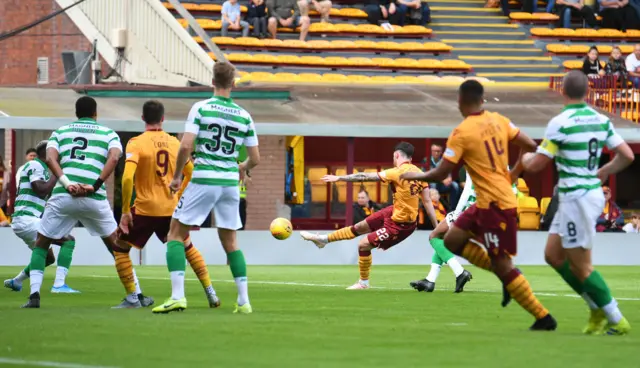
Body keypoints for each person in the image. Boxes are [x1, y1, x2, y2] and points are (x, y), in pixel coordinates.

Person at [401, 80, 557, 331]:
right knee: (450, 240)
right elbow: (530, 146)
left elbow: (441, 173)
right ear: (482, 100)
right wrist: (515, 173)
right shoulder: (500, 120)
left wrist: (416, 176)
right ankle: (506, 277)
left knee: (499, 263)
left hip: (494, 204)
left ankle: (542, 316)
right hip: (490, 201)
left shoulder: (461, 132)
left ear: (460, 102)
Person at [522, 70, 633, 335]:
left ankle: (615, 318)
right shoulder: (601, 119)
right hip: (582, 195)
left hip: (577, 198)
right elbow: (627, 155)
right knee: (552, 255)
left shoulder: (560, 122)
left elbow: (538, 164)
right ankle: (595, 307)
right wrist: (605, 171)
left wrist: (524, 160)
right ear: (586, 91)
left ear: (563, 91)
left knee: (581, 266)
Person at [152, 62, 260, 315]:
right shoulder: (244, 116)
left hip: (204, 178)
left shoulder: (200, 108)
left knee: (175, 234)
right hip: (230, 184)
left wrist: (177, 175)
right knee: (231, 241)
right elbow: (255, 158)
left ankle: (177, 296)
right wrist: (241, 167)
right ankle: (244, 301)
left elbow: (186, 145)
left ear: (212, 81)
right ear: (233, 84)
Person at [20, 96, 134, 308]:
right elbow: (114, 158)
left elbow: (50, 158)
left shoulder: (60, 132)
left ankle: (34, 295)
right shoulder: (108, 133)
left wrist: (66, 182)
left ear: (76, 113)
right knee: (116, 246)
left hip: (64, 196)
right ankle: (135, 294)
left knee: (41, 244)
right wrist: (96, 185)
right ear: (95, 113)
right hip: (94, 198)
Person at [114, 100, 220, 309]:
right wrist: (179, 194)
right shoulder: (175, 143)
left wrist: (126, 211)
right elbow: (190, 173)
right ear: (163, 119)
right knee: (187, 246)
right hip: (171, 208)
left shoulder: (136, 142)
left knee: (120, 248)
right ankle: (211, 292)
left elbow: (127, 178)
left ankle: (133, 298)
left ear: (143, 118)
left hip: (145, 208)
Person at [299, 142, 439, 290]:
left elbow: (364, 176)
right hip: (395, 211)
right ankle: (323, 240)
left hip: (401, 224)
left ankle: (363, 283)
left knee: (363, 245)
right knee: (359, 227)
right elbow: (428, 201)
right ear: (410, 158)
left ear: (397, 155)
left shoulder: (396, 172)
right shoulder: (420, 174)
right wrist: (436, 227)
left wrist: (340, 178)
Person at [410, 168, 520, 294]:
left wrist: (457, 214)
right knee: (441, 238)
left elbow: (467, 191)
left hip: (471, 211)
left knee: (434, 236)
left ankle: (460, 272)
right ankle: (430, 280)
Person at [4, 141, 79, 294]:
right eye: (54, 153)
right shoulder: (35, 165)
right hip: (27, 220)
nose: (56, 158)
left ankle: (16, 281)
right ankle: (59, 284)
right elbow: (40, 190)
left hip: (25, 220)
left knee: (48, 258)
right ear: (47, 154)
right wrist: (57, 175)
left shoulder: (40, 167)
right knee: (69, 241)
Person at [429, 143, 461, 211]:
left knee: (455, 185)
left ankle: (452, 209)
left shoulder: (444, 161)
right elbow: (427, 177)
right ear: (431, 151)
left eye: (438, 151)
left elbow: (448, 173)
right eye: (434, 151)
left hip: (442, 185)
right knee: (433, 184)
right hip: (430, 186)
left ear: (441, 152)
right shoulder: (426, 161)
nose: (436, 153)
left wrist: (449, 179)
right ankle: (435, 208)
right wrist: (441, 180)